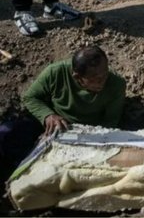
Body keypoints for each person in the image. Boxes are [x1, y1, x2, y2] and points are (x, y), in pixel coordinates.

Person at [0, 45, 126, 187]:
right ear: (77, 77)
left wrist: (84, 137)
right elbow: (31, 98)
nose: (102, 80)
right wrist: (48, 116)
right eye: (95, 78)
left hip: (84, 136)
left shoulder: (116, 85)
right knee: (6, 132)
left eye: (105, 73)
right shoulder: (56, 72)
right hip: (49, 126)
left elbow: (110, 123)